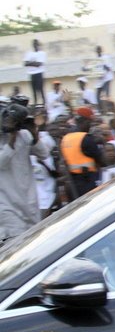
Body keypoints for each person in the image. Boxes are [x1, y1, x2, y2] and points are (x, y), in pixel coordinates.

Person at [0, 97, 50, 242]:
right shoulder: (12, 138)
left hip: (30, 203)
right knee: (15, 245)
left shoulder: (24, 135)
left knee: (32, 244)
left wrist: (34, 135)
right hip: (7, 206)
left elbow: (44, 154)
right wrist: (11, 140)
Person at [61, 107, 105, 198]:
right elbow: (102, 161)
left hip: (72, 183)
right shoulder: (85, 138)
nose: (90, 126)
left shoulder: (66, 138)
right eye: (90, 123)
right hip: (87, 182)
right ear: (85, 121)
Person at [23, 39, 46, 105]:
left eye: (36, 44)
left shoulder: (42, 53)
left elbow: (39, 64)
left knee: (40, 90)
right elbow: (25, 64)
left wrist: (30, 62)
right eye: (34, 44)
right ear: (32, 45)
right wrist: (34, 63)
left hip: (39, 73)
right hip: (31, 74)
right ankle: (35, 103)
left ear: (38, 45)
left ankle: (44, 103)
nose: (35, 45)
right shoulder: (29, 53)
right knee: (33, 91)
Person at [94, 45, 115, 113]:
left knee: (106, 95)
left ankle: (109, 110)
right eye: (97, 50)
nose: (98, 51)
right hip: (99, 80)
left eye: (99, 49)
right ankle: (101, 110)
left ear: (101, 50)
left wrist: (104, 66)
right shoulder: (95, 59)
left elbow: (109, 68)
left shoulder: (106, 57)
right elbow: (92, 69)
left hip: (106, 79)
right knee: (97, 96)